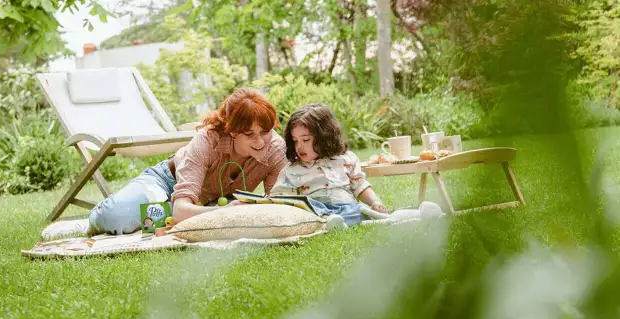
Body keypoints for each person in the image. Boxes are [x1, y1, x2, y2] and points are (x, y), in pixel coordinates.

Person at [41, 88, 288, 240]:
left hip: (210, 200)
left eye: (265, 132)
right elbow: (181, 208)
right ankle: (91, 222)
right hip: (168, 183)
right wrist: (225, 213)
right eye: (249, 134)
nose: (260, 141)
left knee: (156, 220)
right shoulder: (207, 141)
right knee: (118, 217)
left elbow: (277, 202)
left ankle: (151, 219)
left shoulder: (275, 149)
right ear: (233, 132)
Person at [271, 103, 443, 229]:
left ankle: (419, 214)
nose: (299, 146)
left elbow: (359, 185)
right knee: (310, 205)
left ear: (324, 137)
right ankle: (329, 224)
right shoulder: (291, 171)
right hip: (317, 215)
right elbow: (281, 198)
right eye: (295, 141)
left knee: (375, 215)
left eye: (305, 140)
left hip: (350, 209)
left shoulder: (346, 159)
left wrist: (375, 201)